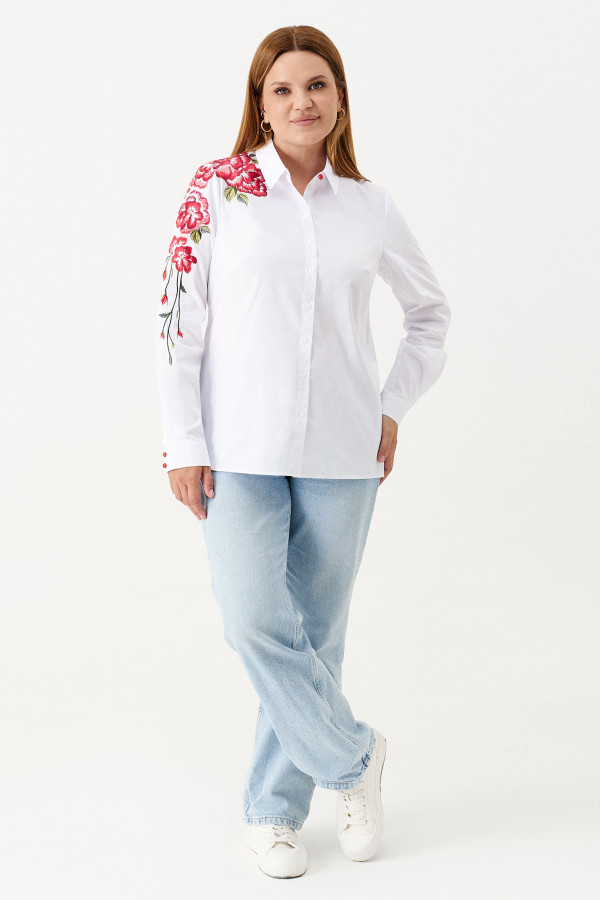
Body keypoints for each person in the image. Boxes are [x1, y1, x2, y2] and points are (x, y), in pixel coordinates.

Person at [155, 24, 451, 879]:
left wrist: (391, 406)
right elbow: (176, 322)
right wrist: (182, 442)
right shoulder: (216, 190)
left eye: (316, 85)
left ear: (340, 100)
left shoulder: (369, 206)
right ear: (260, 105)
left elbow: (430, 315)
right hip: (234, 448)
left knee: (316, 637)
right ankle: (355, 759)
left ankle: (276, 813)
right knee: (253, 619)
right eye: (282, 89)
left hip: (343, 451)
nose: (301, 102)